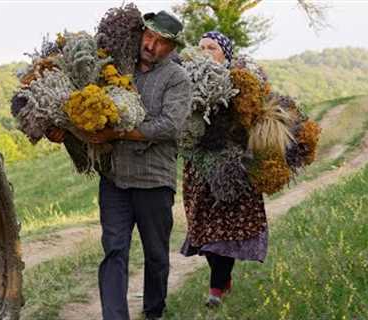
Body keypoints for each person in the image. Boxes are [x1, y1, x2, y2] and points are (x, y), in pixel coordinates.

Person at [48, 10, 192, 320]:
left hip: (154, 180)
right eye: (148, 37)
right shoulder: (116, 67)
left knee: (155, 255)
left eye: (160, 42)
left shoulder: (177, 79)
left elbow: (169, 125)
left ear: (172, 47)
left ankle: (154, 311)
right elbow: (86, 103)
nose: (151, 45)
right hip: (115, 179)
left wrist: (120, 131)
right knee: (114, 250)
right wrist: (64, 127)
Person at [180, 31, 269, 308]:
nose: (205, 51)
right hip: (198, 168)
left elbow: (253, 119)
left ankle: (216, 290)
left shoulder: (240, 84)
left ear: (225, 55)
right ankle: (222, 279)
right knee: (205, 232)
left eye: (212, 48)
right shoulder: (186, 81)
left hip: (232, 168)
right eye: (202, 47)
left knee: (226, 232)